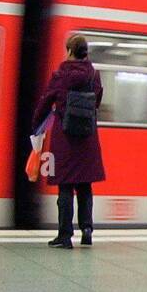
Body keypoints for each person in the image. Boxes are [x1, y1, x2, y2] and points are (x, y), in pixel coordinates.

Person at [32, 34, 106, 248]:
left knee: (65, 187)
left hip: (65, 138)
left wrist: (36, 125)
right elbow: (97, 102)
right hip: (87, 138)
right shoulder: (94, 75)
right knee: (85, 185)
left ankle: (65, 236)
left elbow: (46, 101)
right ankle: (87, 230)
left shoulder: (61, 75)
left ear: (70, 51)